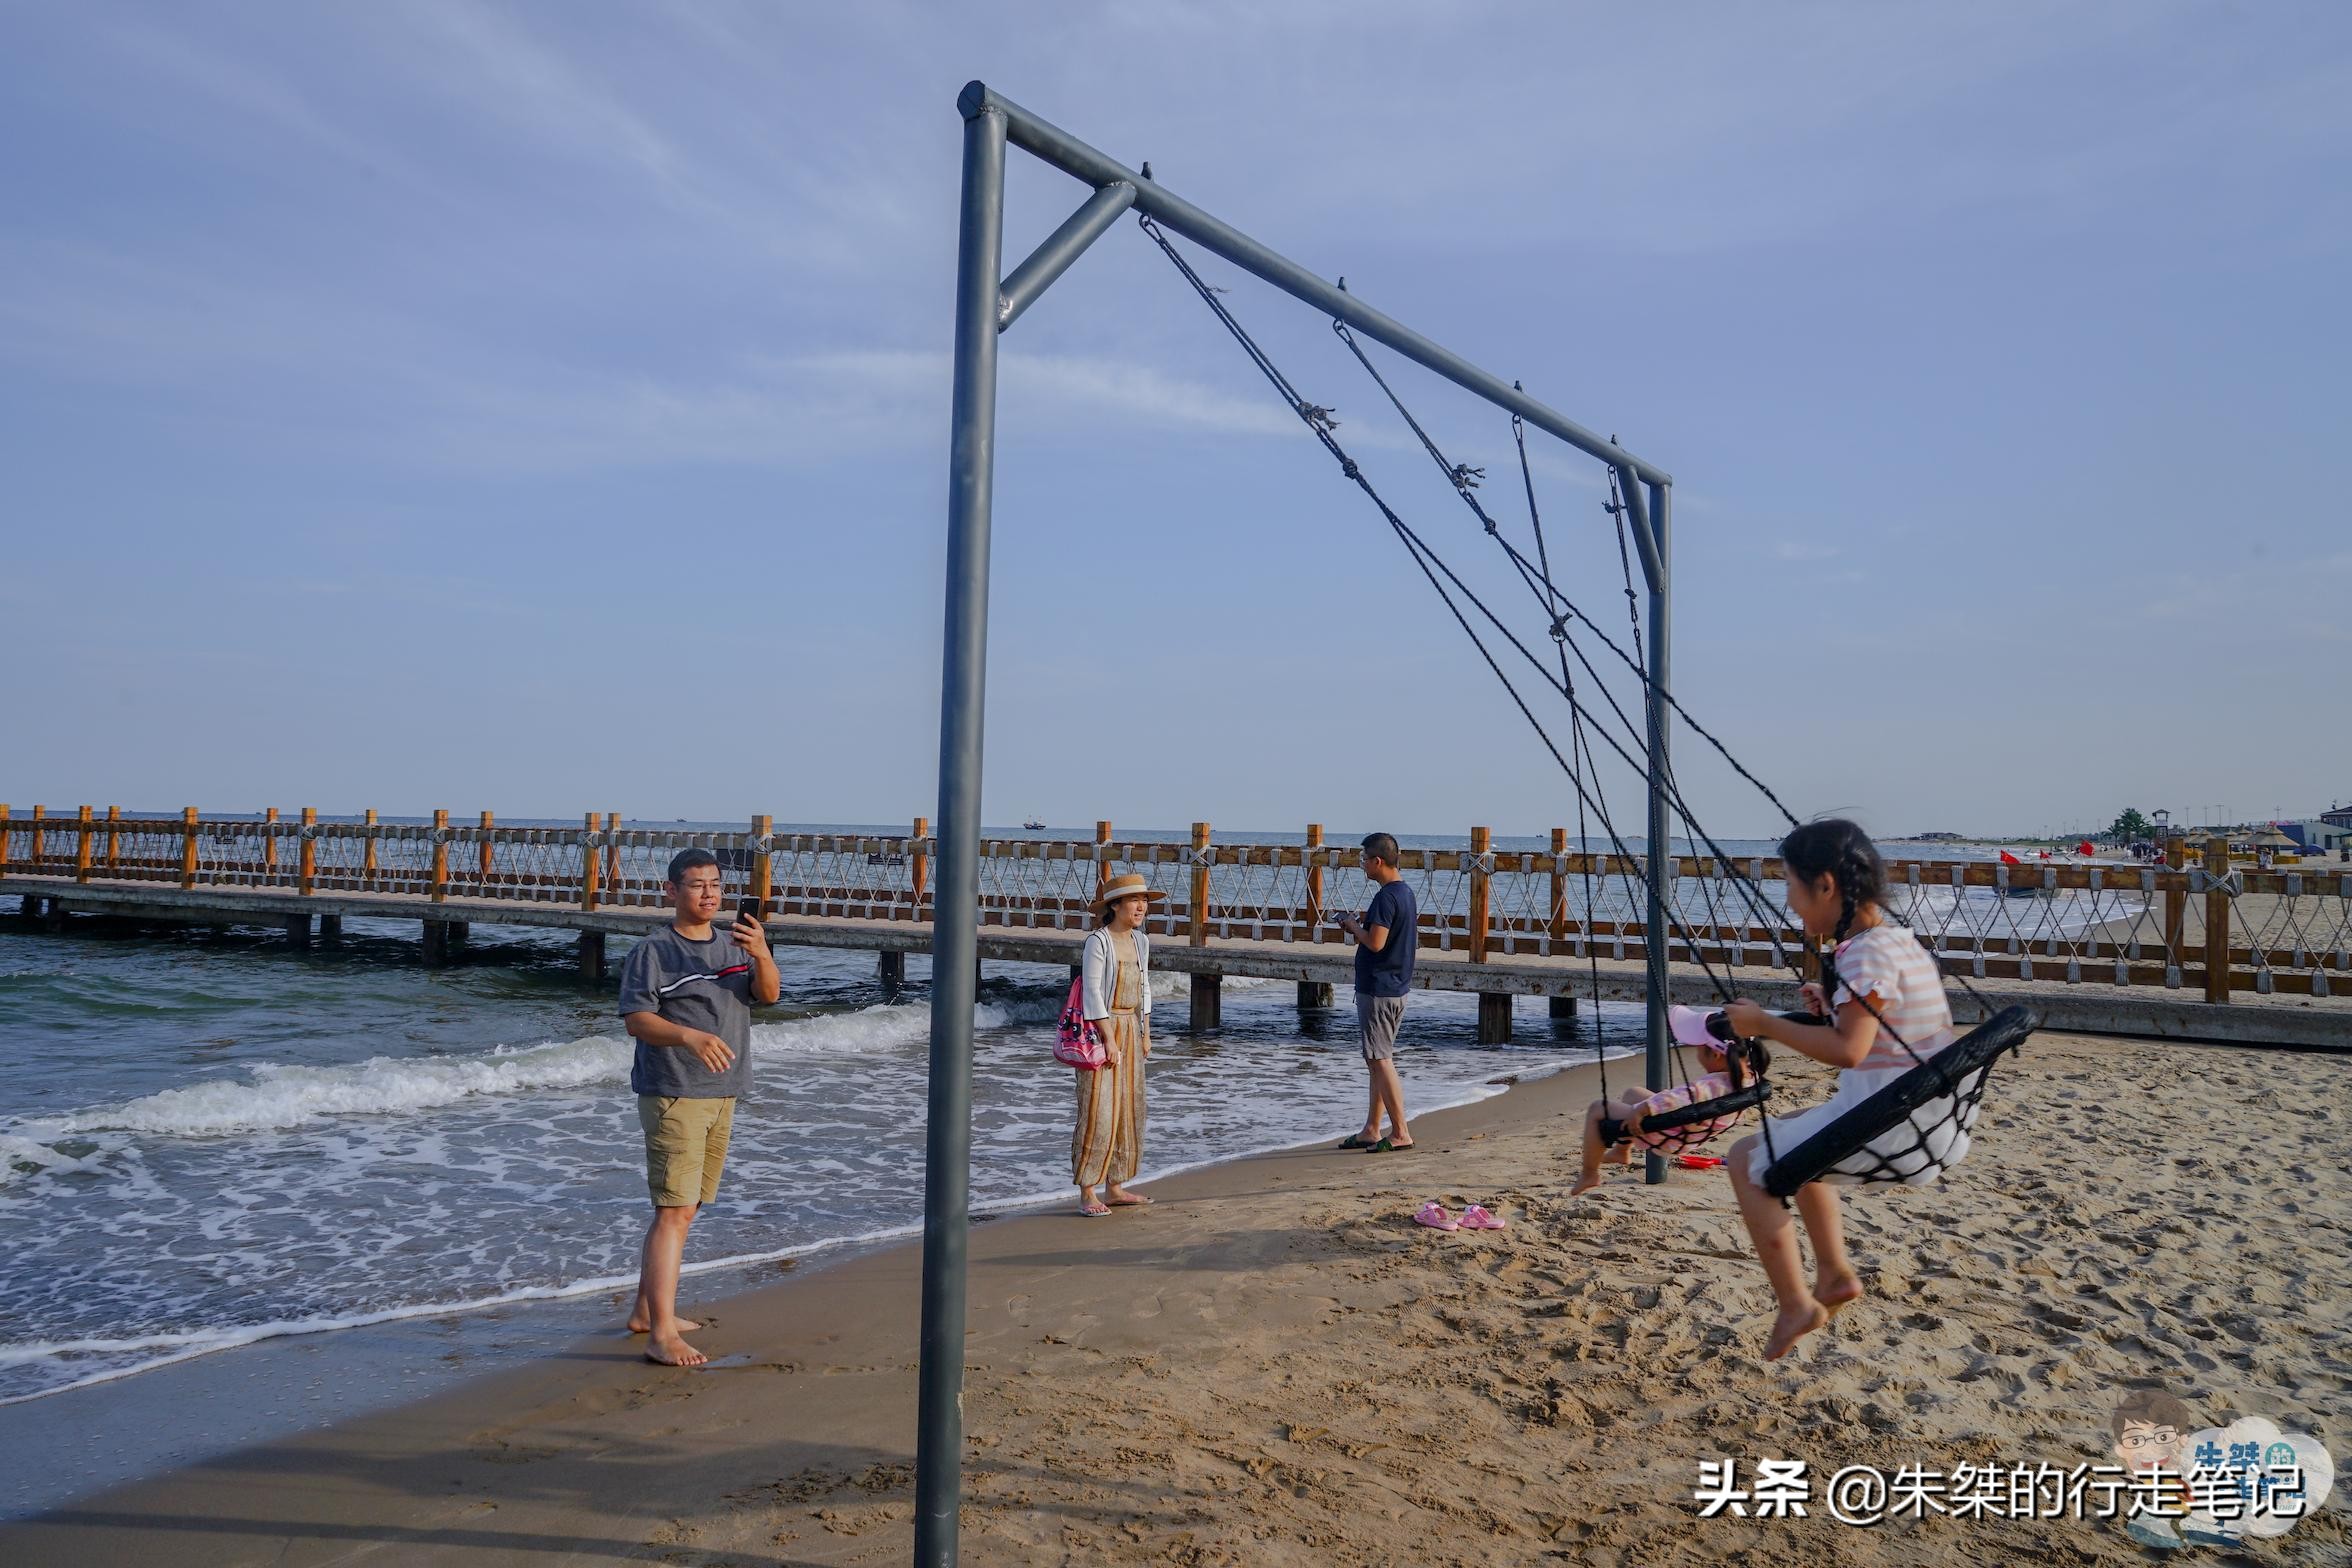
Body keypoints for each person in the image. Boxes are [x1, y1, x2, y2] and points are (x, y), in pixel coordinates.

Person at [1720, 819, 1962, 1360]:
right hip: (1931, 1119)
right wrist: (1831, 1006)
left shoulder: (1861, 955)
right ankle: (1832, 1274)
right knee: (1794, 1137)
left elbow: (1850, 1051)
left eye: (1790, 885)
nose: (1789, 903)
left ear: (1825, 885)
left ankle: (1795, 1303)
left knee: (1743, 1159)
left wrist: (1765, 1025)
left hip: (1895, 1129)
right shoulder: (1896, 941)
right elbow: (1876, 1026)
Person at [618, 848, 780, 1366]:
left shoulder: (734, 943)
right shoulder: (655, 951)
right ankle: (661, 1335)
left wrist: (762, 953)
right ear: (671, 891)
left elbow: (769, 996)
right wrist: (688, 1035)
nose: (709, 894)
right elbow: (636, 1020)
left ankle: (647, 1311)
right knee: (673, 1212)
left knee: (686, 1208)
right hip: (674, 1092)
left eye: (715, 885)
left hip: (721, 1091)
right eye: (696, 885)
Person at [1571, 1005, 1769, 1196]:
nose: (1697, 1054)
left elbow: (1678, 1097)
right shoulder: (1748, 1077)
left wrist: (1642, 1111)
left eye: (1699, 1049)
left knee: (1597, 1109)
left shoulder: (1707, 1087)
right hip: (1691, 1127)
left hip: (1670, 1133)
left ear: (1716, 1054)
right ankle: (1622, 1151)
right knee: (1633, 1093)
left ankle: (1589, 1173)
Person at [1074, 872, 1159, 1217]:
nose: (1141, 906)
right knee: (1098, 1111)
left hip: (1131, 1027)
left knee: (1129, 1109)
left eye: (1144, 901)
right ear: (1115, 905)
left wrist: (1146, 1031)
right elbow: (1092, 994)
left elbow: (1145, 988)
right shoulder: (1099, 941)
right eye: (1134, 900)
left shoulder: (1141, 941)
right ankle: (1087, 1192)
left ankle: (1116, 1187)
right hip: (1101, 1031)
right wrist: (1109, 1039)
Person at [1335, 832, 1417, 1154]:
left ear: (1377, 861)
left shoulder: (1385, 897)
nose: (1362, 865)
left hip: (1380, 989)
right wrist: (1363, 924)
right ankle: (1372, 1128)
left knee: (1381, 1060)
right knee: (1375, 1060)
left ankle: (1400, 1132)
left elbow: (1376, 943)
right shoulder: (1404, 893)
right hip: (1395, 987)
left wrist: (1354, 927)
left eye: (1364, 860)